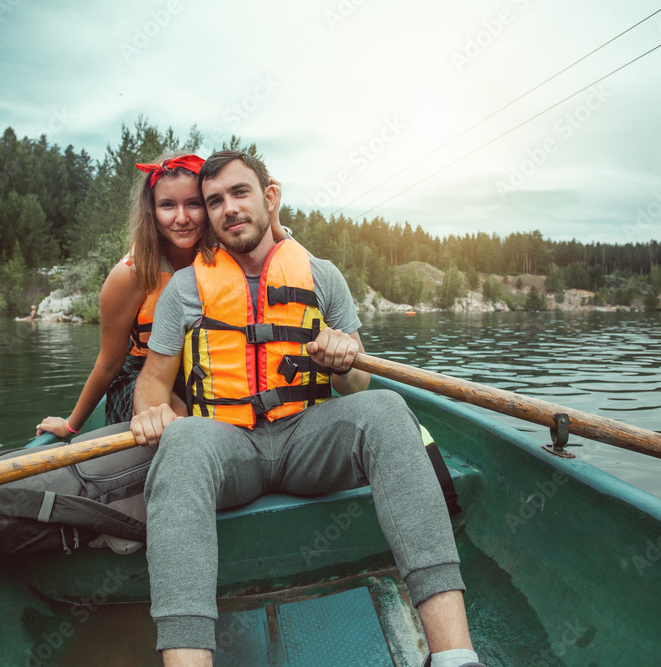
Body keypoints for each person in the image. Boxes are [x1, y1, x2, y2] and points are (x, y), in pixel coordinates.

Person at [130, 151, 483, 667]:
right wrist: (150, 412)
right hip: (229, 447)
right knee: (181, 441)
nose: (228, 208)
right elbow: (153, 383)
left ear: (270, 196)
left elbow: (358, 384)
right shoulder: (185, 289)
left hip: (307, 441)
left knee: (386, 407)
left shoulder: (323, 277)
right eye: (215, 201)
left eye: (239, 193)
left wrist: (344, 357)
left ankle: (454, 656)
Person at [36, 153, 286, 439]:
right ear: (152, 211)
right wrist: (71, 425)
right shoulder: (131, 275)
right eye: (167, 205)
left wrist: (275, 225)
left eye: (193, 204)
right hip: (142, 375)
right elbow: (108, 362)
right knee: (180, 422)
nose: (182, 218)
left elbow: (301, 273)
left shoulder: (227, 254)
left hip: (202, 371)